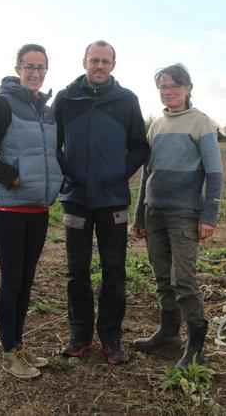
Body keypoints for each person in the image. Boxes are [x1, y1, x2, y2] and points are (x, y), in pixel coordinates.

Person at [53, 40, 149, 365]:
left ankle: (110, 337)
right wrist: (69, 172)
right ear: (84, 62)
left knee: (114, 271)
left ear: (113, 66)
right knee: (75, 271)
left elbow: (139, 146)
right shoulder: (66, 99)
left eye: (105, 62)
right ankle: (80, 335)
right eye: (94, 60)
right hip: (76, 199)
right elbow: (52, 144)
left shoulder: (126, 101)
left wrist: (119, 172)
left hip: (112, 201)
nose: (99, 66)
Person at [0, 44, 63, 379]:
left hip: (38, 207)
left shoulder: (46, 108)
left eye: (41, 67)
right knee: (11, 280)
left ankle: (19, 344)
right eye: (29, 67)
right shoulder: (3, 104)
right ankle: (9, 353)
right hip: (9, 206)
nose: (35, 73)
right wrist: (13, 177)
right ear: (17, 69)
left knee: (26, 281)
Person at [131, 63, 223, 368]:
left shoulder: (201, 123)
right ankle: (169, 334)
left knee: (182, 279)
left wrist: (209, 215)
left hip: (185, 214)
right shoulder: (156, 125)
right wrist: (139, 215)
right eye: (162, 87)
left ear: (188, 88)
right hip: (154, 211)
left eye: (173, 86)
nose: (167, 92)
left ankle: (197, 343)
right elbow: (147, 174)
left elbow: (215, 174)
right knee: (161, 278)